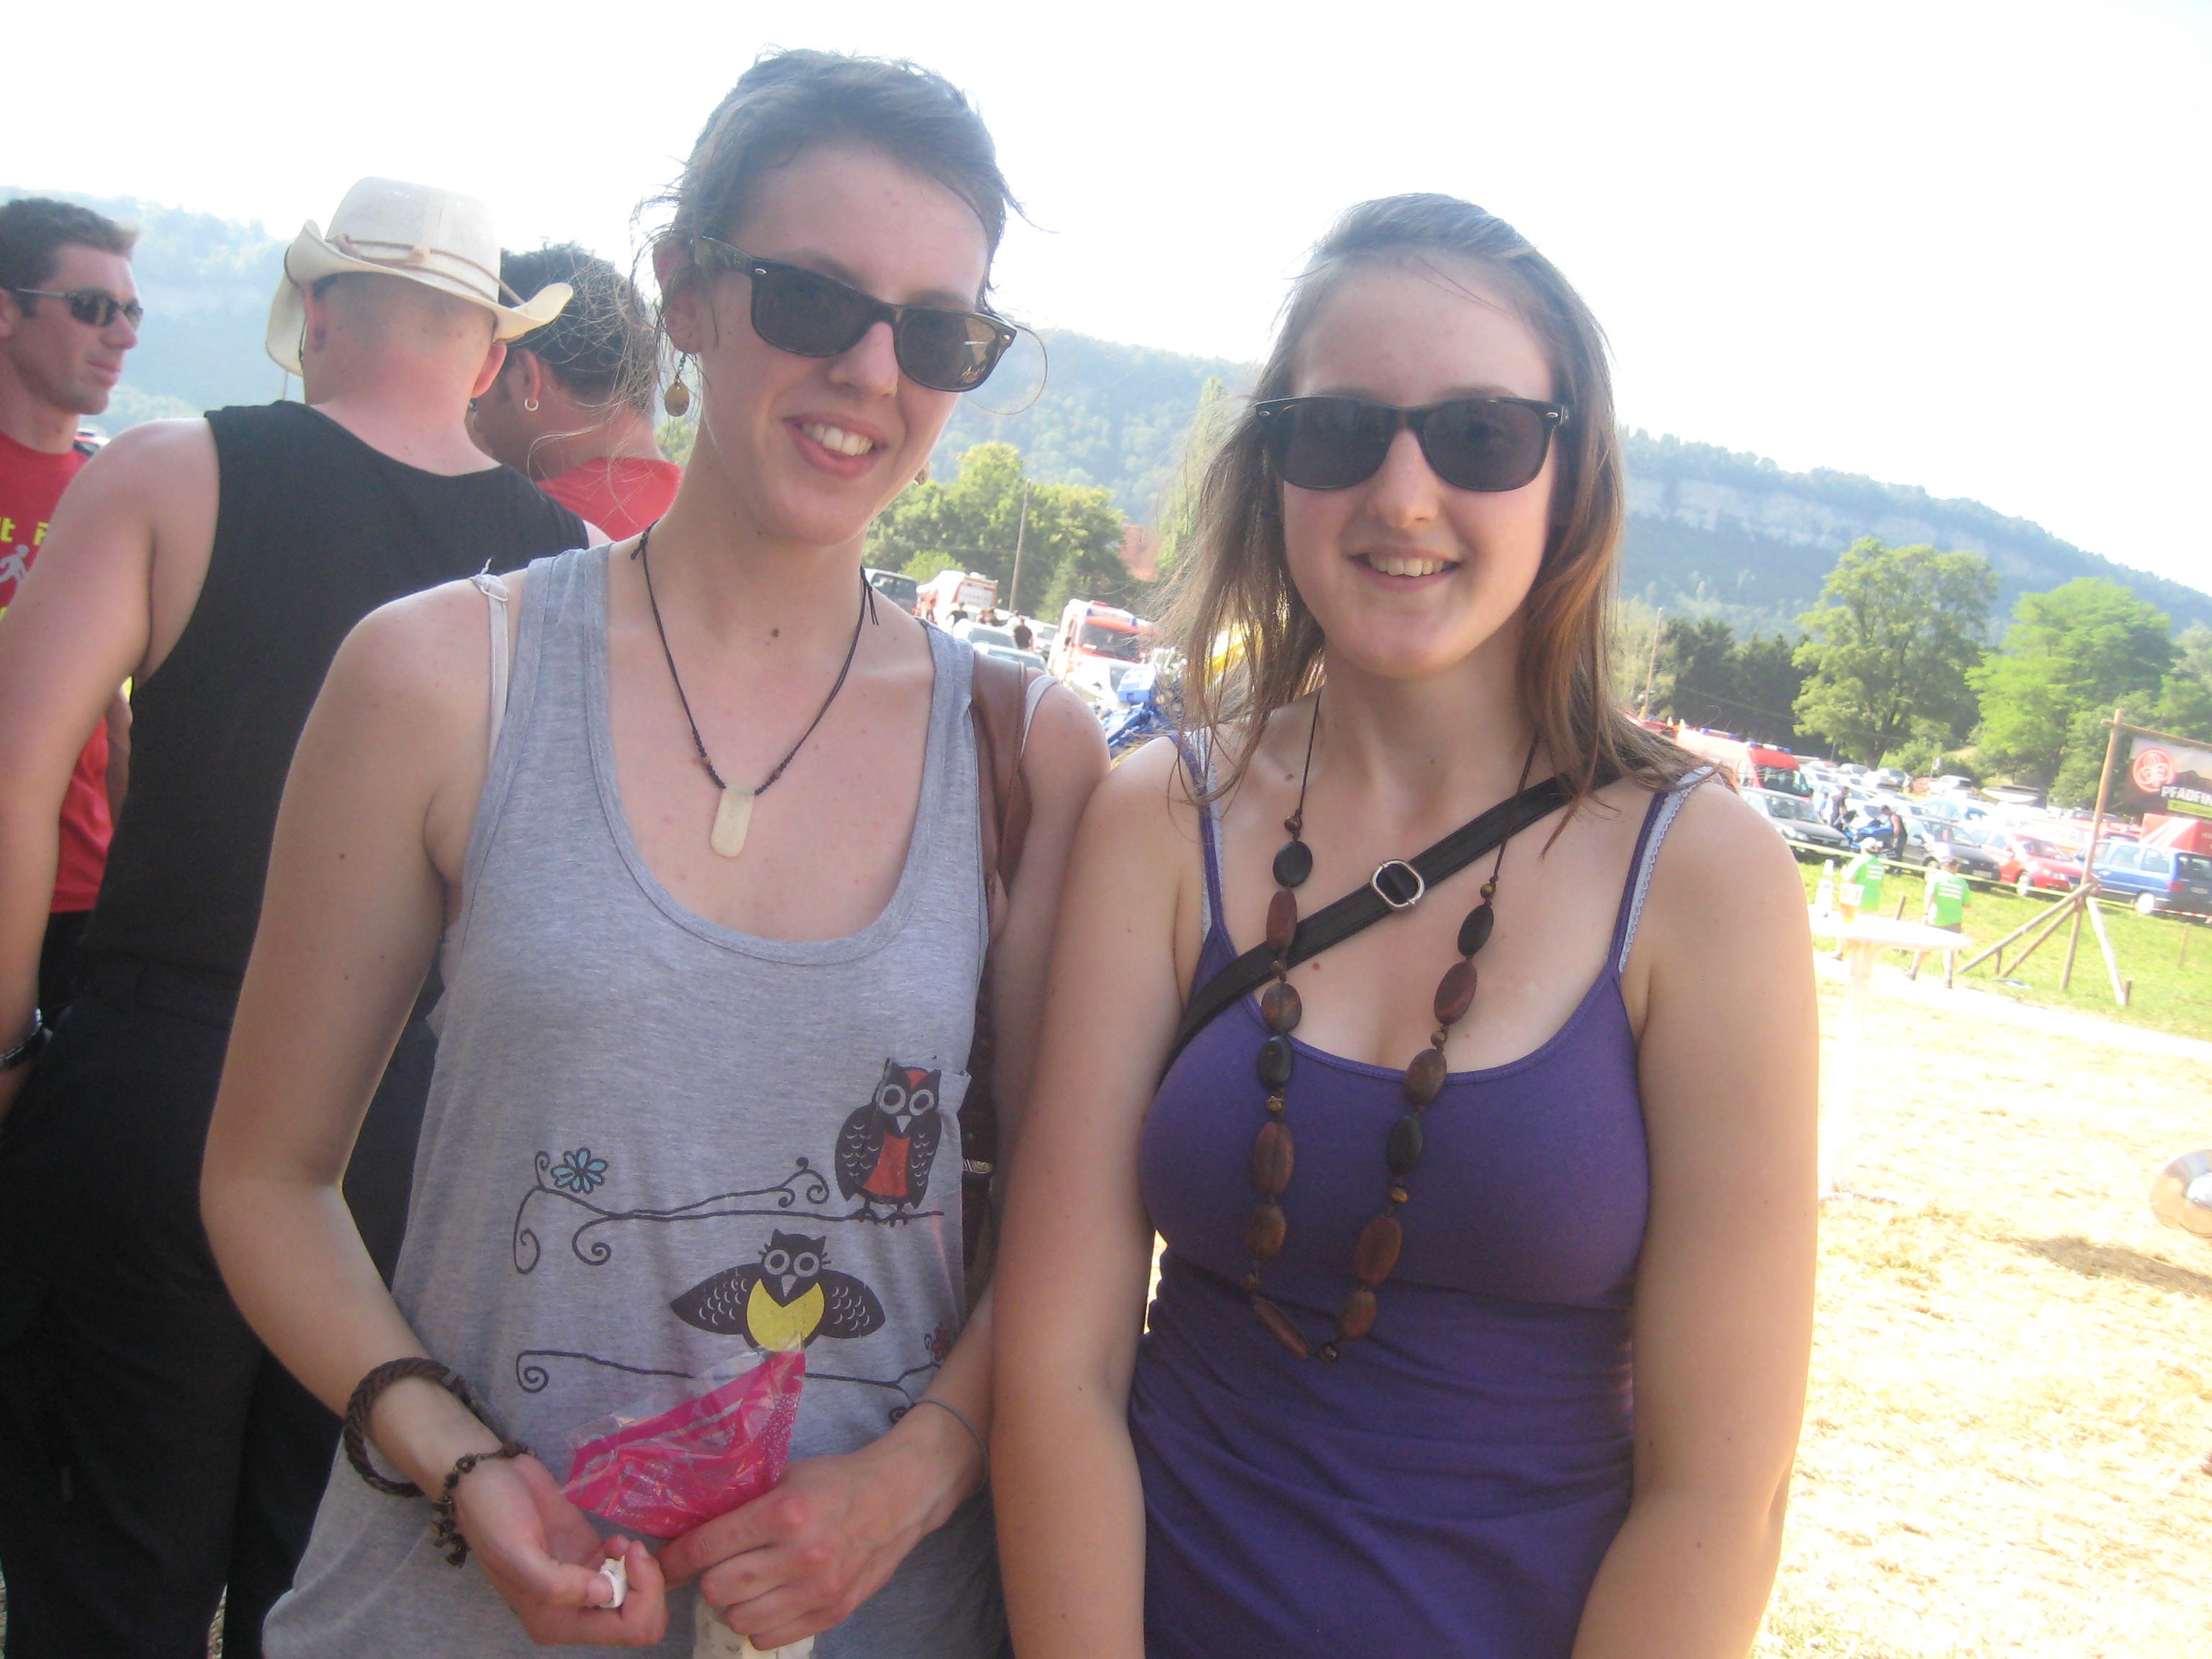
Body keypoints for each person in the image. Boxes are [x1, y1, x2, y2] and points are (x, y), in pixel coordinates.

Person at [202, 50, 1105, 1658]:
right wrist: (459, 1458)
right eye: (813, 300)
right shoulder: (441, 678)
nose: (871, 373)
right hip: (444, 1612)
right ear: (686, 290)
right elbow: (266, 1178)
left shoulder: (1028, 754)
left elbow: (1070, 1245)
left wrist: (905, 1483)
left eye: (937, 333)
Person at [994, 194, 1817, 1659]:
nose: (1404, 493)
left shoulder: (1704, 874)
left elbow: (1719, 1497)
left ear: (1571, 476)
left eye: (1480, 435)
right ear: (1273, 472)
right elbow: (1060, 1369)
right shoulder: (1162, 814)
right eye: (1338, 431)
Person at [0, 176, 588, 1657]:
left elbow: (13, 777)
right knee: (317, 1597)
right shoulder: (572, 570)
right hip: (412, 1146)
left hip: (164, 1085)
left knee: (104, 1582)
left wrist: (5, 1046)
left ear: (317, 311)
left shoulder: (170, 471)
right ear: (489, 354)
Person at [0, 197, 140, 1017]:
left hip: (80, 899)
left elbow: (121, 718)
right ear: (7, 313)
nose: (122, 336)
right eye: (92, 307)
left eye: (131, 311)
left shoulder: (115, 492)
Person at [469, 242, 682, 538]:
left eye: (475, 395)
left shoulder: (517, 525)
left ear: (527, 378)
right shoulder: (716, 511)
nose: (476, 422)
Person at [1912, 857, 1971, 986]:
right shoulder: (1962, 883)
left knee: (1924, 945)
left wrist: (1926, 913)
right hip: (1954, 920)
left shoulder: (1936, 879)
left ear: (1943, 866)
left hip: (1935, 917)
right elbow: (1967, 904)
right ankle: (1948, 979)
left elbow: (1930, 896)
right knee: (1949, 950)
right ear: (1956, 867)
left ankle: (1913, 972)